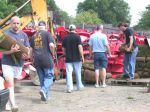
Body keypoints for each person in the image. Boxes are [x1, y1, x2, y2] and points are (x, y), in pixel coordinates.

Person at [1, 16, 30, 112]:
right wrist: (11, 51)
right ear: (10, 24)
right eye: (14, 23)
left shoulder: (24, 35)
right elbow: (2, 51)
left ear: (20, 24)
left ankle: (7, 103)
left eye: (18, 23)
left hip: (18, 64)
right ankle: (13, 105)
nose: (16, 25)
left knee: (12, 84)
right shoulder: (5, 35)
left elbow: (27, 49)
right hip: (7, 63)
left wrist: (26, 55)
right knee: (9, 83)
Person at [30, 20, 55, 101]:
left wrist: (31, 59)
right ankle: (44, 90)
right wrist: (53, 53)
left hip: (37, 60)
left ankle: (45, 96)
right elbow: (51, 45)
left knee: (42, 78)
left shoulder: (34, 36)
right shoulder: (47, 34)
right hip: (46, 59)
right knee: (49, 76)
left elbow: (31, 50)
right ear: (45, 26)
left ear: (38, 26)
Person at [62, 24, 84, 93]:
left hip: (68, 58)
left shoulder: (65, 38)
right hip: (77, 58)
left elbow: (63, 48)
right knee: (78, 72)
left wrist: (65, 54)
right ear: (75, 29)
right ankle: (79, 86)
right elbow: (80, 47)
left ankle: (69, 88)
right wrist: (82, 56)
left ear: (69, 29)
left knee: (69, 73)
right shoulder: (78, 37)